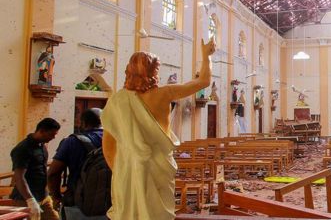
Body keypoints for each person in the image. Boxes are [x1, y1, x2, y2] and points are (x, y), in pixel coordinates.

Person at [102, 38, 215, 220]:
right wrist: (206, 56)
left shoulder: (117, 101)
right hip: (158, 166)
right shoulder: (165, 94)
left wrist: (124, 171)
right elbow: (203, 81)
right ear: (152, 71)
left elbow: (108, 147)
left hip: (127, 169)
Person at [48, 109, 105, 220]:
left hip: (77, 203)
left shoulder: (71, 141)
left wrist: (57, 198)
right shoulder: (117, 140)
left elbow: (53, 173)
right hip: (112, 203)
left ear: (82, 122)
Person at [10, 118, 61, 220]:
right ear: (41, 131)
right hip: (25, 199)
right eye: (51, 134)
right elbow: (19, 177)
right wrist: (30, 200)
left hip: (43, 196)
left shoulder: (42, 145)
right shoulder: (22, 149)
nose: (54, 137)